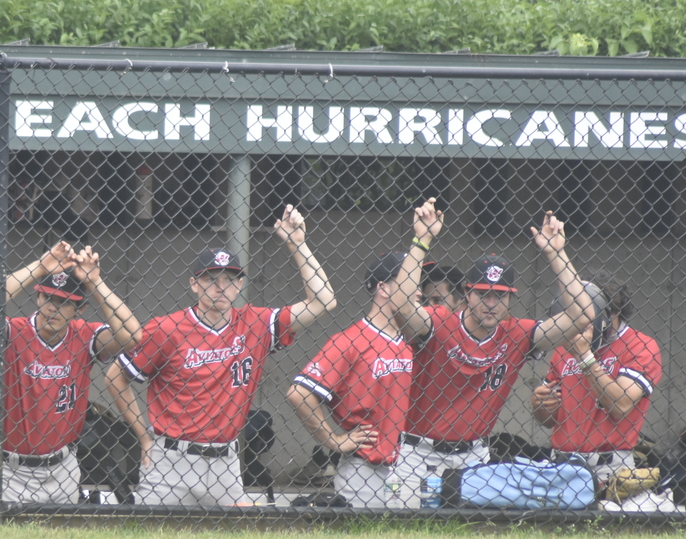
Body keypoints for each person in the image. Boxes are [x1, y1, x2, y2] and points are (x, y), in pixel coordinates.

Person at [106, 205, 336, 506]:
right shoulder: (166, 329)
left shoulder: (255, 323)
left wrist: (297, 244)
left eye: (229, 279)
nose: (220, 287)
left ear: (240, 285)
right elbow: (115, 377)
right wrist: (143, 435)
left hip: (226, 464)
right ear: (193, 284)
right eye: (211, 279)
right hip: (170, 460)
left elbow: (324, 301)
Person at [391, 199, 594, 504]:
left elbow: (582, 315)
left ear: (511, 298)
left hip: (475, 458)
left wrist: (556, 253)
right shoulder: (440, 322)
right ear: (467, 294)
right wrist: (422, 239)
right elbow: (401, 304)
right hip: (417, 453)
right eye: (483, 294)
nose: (491, 303)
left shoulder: (518, 333)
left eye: (500, 296)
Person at [0, 241, 142, 503]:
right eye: (47, 297)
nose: (53, 307)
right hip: (11, 470)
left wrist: (95, 283)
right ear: (38, 297)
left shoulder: (85, 336)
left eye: (63, 302)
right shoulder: (13, 332)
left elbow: (132, 335)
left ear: (79, 309)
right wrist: (39, 267)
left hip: (64, 468)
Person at [287, 252, 415, 507]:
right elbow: (298, 393)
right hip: (364, 469)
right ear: (384, 288)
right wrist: (333, 441)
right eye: (409, 281)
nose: (418, 292)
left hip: (413, 464)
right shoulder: (350, 341)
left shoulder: (417, 342)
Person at [531, 277, 662, 484]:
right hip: (561, 464)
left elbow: (621, 405)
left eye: (587, 316)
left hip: (610, 469)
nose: (580, 324)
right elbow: (548, 420)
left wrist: (585, 357)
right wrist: (540, 405)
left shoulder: (640, 346)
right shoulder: (565, 349)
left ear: (612, 313)